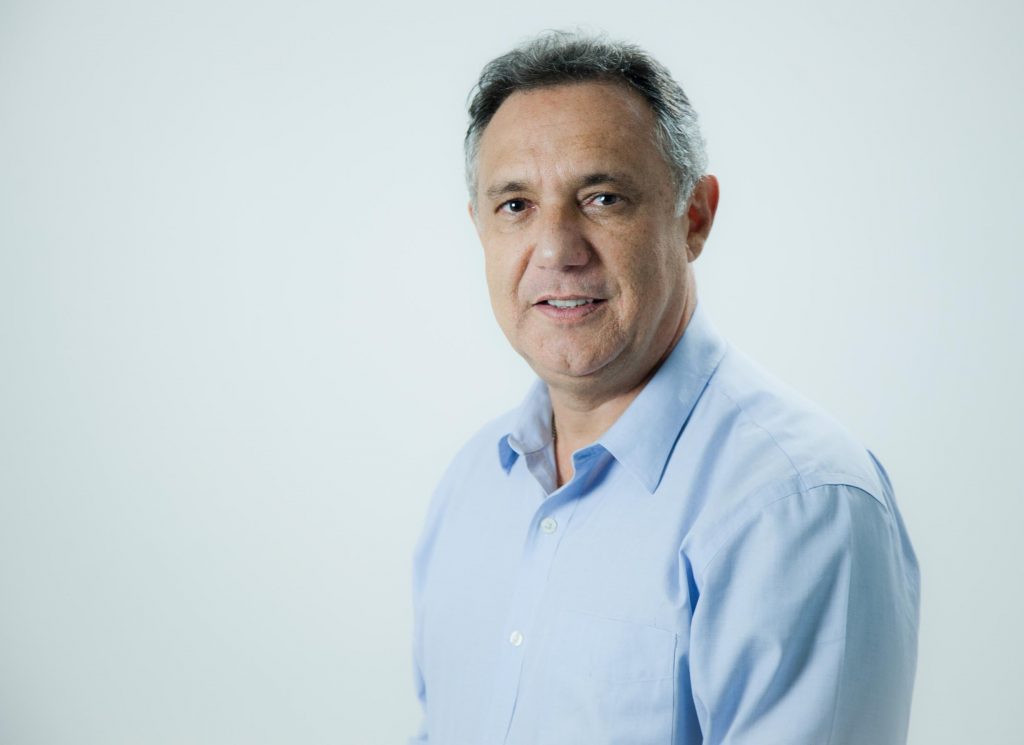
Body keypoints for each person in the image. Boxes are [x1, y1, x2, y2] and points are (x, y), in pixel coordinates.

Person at [409, 30, 919, 745]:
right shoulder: (471, 488)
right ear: (480, 229)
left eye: (603, 197)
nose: (556, 249)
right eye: (516, 206)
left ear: (694, 217)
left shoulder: (797, 504)